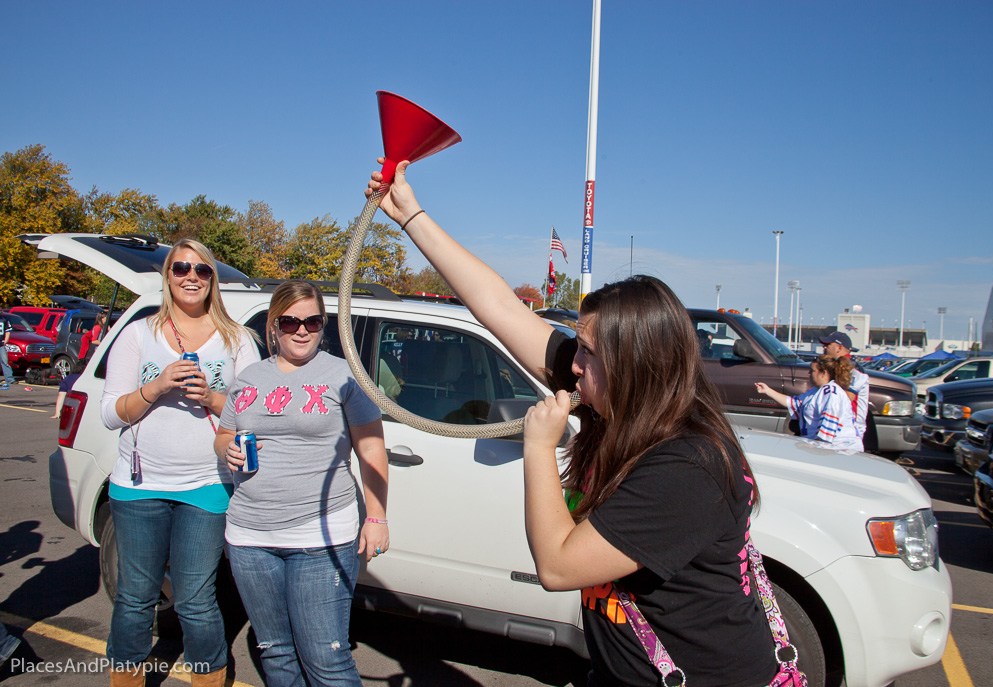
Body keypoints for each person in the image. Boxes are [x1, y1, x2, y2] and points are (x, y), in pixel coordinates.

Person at [365, 161, 778, 687]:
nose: (572, 364)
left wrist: (537, 447)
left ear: (635, 365)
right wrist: (411, 216)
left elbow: (558, 566)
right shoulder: (623, 400)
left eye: (586, 351)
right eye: (576, 346)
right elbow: (501, 309)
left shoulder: (686, 464)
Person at [99, 239, 260, 687]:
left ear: (213, 280)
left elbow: (252, 414)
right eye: (181, 268)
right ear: (167, 276)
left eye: (202, 270)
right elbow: (111, 413)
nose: (191, 277)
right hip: (138, 486)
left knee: (194, 599)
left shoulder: (238, 340)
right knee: (135, 597)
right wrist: (155, 387)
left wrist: (210, 397)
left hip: (206, 486)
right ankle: (125, 677)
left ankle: (208, 677)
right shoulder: (138, 334)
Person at [214, 280, 389, 687]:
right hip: (249, 537)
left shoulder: (345, 375)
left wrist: (377, 516)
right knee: (275, 652)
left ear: (323, 324)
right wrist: (227, 450)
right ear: (274, 325)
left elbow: (372, 450)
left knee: (326, 659)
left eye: (312, 320)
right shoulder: (249, 377)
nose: (302, 330)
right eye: (291, 321)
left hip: (320, 534)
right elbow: (224, 434)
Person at [754, 355, 864, 452]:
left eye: (812, 371)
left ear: (823, 373)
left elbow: (827, 433)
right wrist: (767, 390)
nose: (808, 374)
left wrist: (811, 447)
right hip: (826, 448)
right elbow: (793, 403)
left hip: (842, 450)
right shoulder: (815, 391)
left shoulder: (832, 393)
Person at [819, 332, 871, 446]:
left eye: (828, 345)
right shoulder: (836, 366)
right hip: (836, 425)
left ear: (839, 348)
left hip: (849, 431)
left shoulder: (854, 369)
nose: (824, 348)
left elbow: (847, 399)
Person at [1, 315, 14, 390]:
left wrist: (5, 341)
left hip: (1, 344)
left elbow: (8, 331)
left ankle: (9, 379)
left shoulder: (4, 319)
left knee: (4, 361)